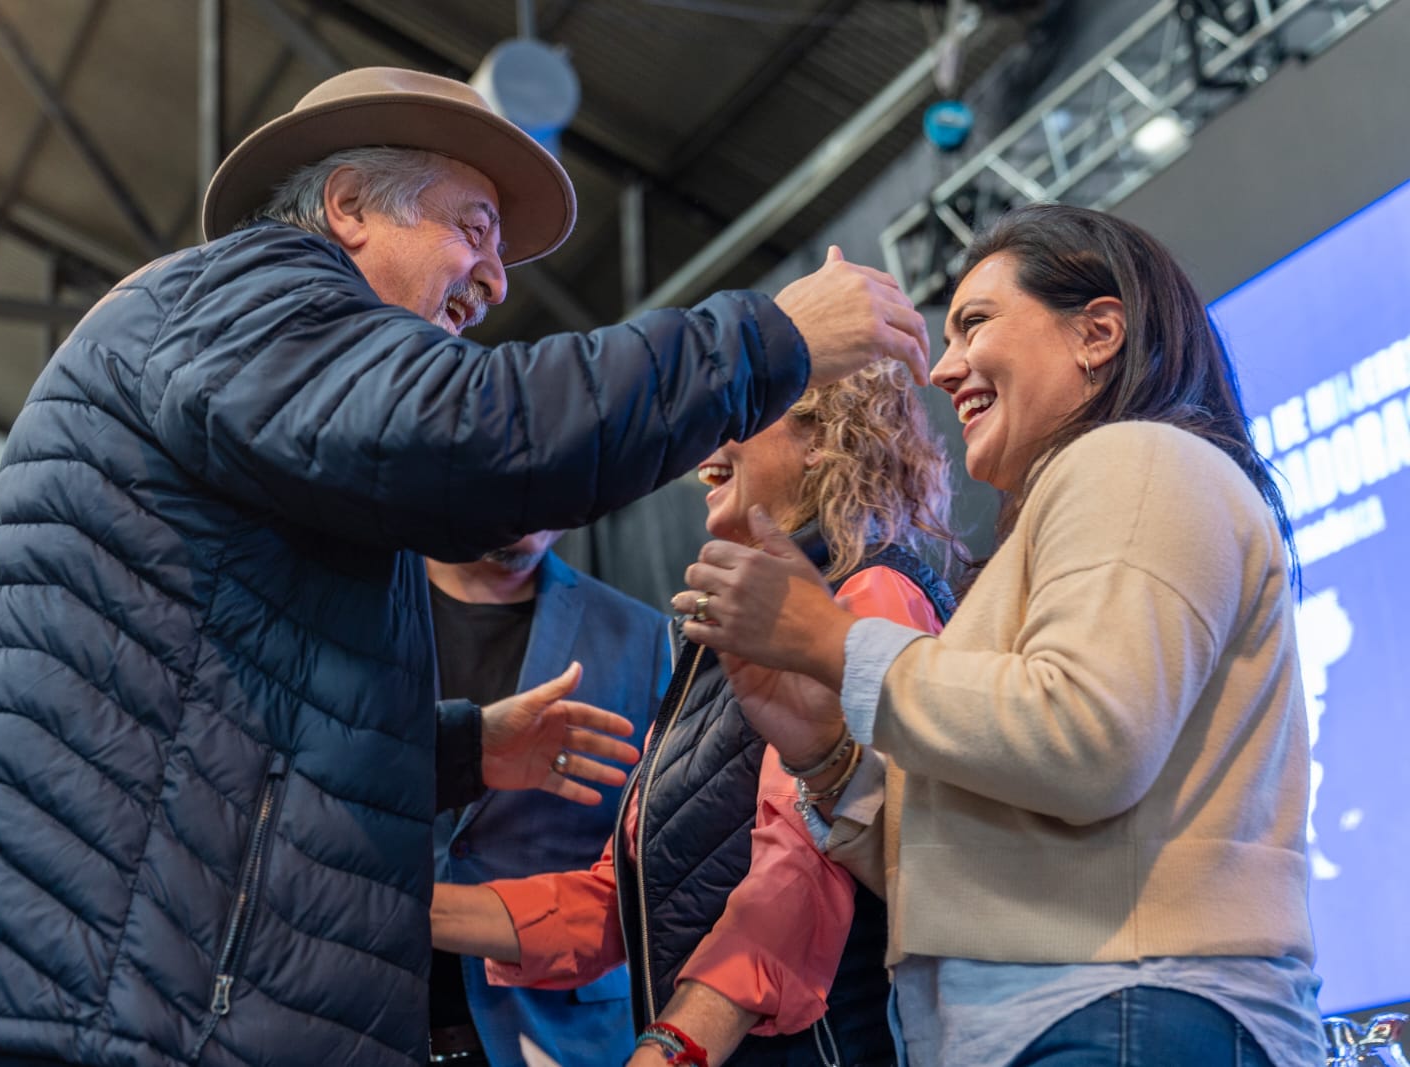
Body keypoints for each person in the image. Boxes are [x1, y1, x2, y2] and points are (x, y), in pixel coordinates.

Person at [0, 66, 930, 1067]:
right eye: (474, 228)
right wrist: (767, 341)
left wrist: (457, 747)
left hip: (117, 989)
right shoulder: (256, 294)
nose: (495, 279)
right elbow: (477, 433)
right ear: (349, 204)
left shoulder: (256, 367)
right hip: (99, 1000)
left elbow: (217, 694)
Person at [675, 203, 1324, 1067]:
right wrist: (827, 752)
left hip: (1126, 1012)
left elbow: (1088, 738)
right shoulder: (1064, 517)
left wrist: (837, 644)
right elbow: (965, 864)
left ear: (1097, 333)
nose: (944, 369)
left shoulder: (1138, 458)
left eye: (974, 323)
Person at [432, 362, 957, 1067]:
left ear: (821, 440)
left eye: (740, 413)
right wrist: (399, 906)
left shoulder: (868, 593)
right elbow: (618, 901)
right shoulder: (731, 635)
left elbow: (799, 878)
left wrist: (666, 1048)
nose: (708, 437)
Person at [425, 533, 668, 1066]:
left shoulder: (643, 637)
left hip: (563, 1037)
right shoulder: (356, 606)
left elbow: (652, 886)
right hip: (357, 1018)